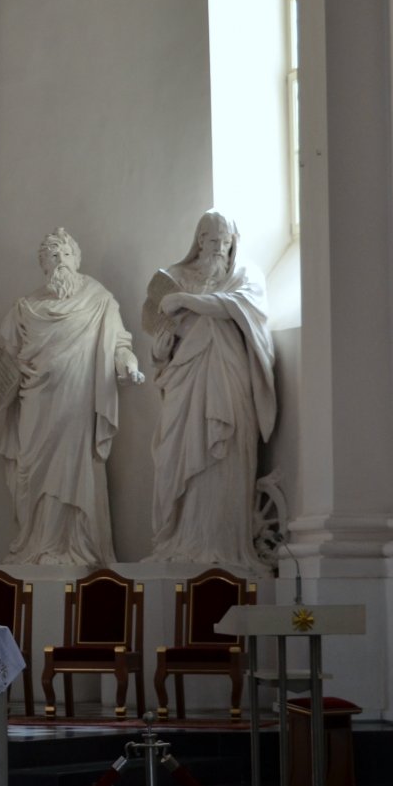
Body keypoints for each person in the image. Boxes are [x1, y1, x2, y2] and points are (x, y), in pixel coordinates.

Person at [0, 229, 143, 566]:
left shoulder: (99, 300)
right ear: (43, 265)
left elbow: (119, 344)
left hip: (78, 405)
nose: (60, 261)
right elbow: (2, 356)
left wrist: (129, 365)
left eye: (65, 254)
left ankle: (77, 546)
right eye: (52, 256)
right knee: (32, 471)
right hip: (36, 406)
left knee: (75, 472)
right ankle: (36, 545)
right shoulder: (26, 308)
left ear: (76, 259)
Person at [144, 210, 276, 571]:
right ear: (200, 241)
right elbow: (160, 346)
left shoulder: (244, 276)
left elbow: (235, 306)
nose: (220, 248)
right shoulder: (176, 277)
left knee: (223, 455)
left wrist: (185, 301)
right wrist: (160, 348)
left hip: (228, 376)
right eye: (213, 240)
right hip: (186, 380)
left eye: (226, 241)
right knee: (178, 452)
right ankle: (181, 540)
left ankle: (220, 544)